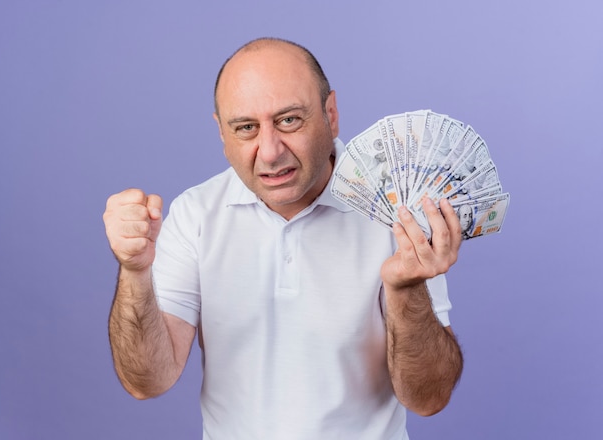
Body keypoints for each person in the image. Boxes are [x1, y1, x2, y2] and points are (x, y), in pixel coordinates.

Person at [103, 37, 464, 439]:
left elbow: (429, 398)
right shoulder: (195, 215)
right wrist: (135, 272)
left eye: (289, 120)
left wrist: (407, 289)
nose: (270, 151)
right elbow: (147, 381)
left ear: (331, 114)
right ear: (222, 135)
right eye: (246, 128)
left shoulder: (396, 215)